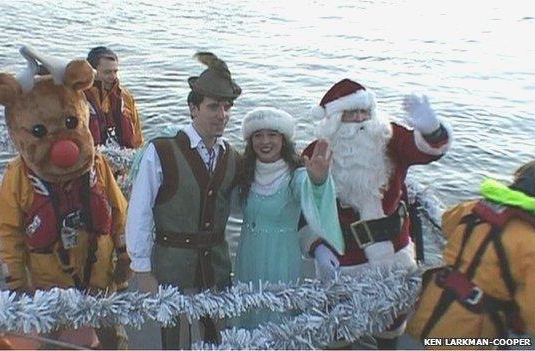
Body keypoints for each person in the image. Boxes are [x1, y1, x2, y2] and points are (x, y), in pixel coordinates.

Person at [0, 46, 131, 349]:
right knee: (50, 340)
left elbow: (119, 211)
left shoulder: (98, 165)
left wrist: (124, 254)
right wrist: (16, 281)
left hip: (99, 273)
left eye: (70, 124)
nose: (62, 143)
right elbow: (9, 230)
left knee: (113, 336)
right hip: (48, 281)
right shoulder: (18, 177)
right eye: (40, 130)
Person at [301, 78, 453, 349]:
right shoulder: (317, 152)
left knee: (391, 328)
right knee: (338, 329)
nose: (360, 120)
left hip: (395, 254)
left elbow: (428, 150)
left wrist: (431, 128)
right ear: (335, 120)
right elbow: (306, 207)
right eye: (351, 114)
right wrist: (318, 247)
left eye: (365, 112)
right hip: (345, 258)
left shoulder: (389, 138)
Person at [125, 52, 243, 349]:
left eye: (227, 107)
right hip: (171, 265)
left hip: (215, 265)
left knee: (217, 336)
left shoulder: (232, 156)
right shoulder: (162, 151)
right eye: (213, 106)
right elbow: (139, 211)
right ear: (193, 108)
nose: (222, 115)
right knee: (174, 341)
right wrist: (142, 269)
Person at [233, 107, 343, 329]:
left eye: (272, 135)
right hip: (248, 256)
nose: (265, 141)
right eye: (258, 135)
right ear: (250, 140)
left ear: (284, 139)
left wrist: (319, 182)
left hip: (281, 259)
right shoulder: (244, 171)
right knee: (246, 313)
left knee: (277, 319)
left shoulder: (296, 174)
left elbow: (310, 198)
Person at [407, 161, 535, 345]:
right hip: (472, 331)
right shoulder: (530, 241)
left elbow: (446, 224)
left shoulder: (473, 208)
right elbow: (531, 314)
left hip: (432, 309)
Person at [84, 46, 143, 148]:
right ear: (92, 72)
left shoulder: (125, 96)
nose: (113, 76)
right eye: (107, 72)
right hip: (94, 157)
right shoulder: (79, 98)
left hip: (125, 155)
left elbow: (137, 134)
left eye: (115, 71)